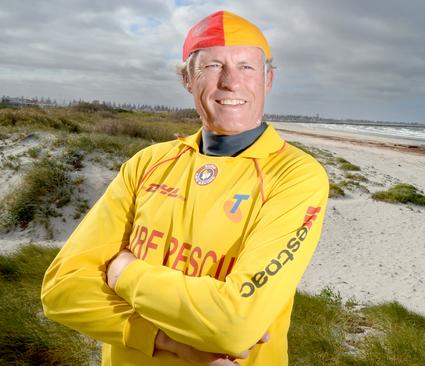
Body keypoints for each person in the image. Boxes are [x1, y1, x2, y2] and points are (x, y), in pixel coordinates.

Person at [41, 10, 329, 366]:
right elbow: (61, 290)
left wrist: (123, 273)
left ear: (268, 80)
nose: (230, 82)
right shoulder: (148, 162)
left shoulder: (295, 175)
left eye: (246, 67)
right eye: (211, 67)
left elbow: (234, 324)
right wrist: (167, 341)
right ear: (187, 80)